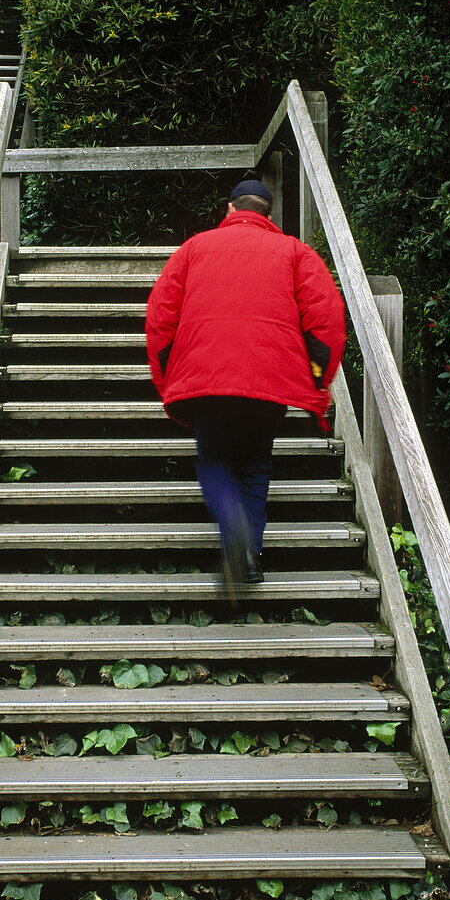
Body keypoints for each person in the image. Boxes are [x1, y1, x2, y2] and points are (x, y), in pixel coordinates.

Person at [145, 178, 346, 595]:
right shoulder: (295, 252)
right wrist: (315, 381)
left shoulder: (193, 249)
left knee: (215, 462)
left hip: (206, 380)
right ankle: (250, 555)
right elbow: (326, 322)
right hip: (269, 381)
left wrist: (169, 376)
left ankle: (234, 534)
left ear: (231, 209)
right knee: (256, 465)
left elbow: (160, 318)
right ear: (268, 215)